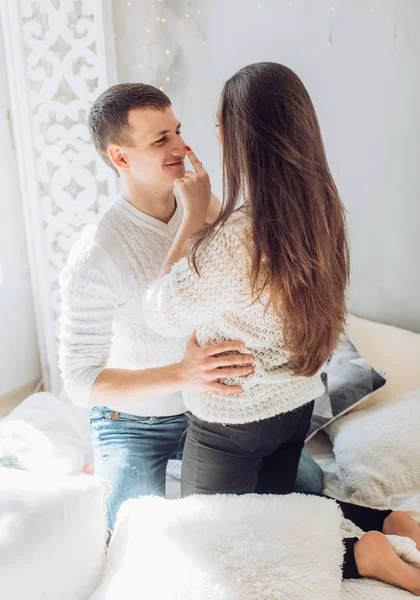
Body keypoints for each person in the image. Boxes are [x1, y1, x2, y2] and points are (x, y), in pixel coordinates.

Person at [142, 62, 420, 594]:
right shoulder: (321, 212)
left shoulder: (237, 238)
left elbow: (160, 311)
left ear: (242, 139)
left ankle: (362, 555)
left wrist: (193, 216)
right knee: (275, 513)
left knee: (208, 543)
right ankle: (385, 522)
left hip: (233, 424)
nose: (213, 138)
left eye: (220, 126)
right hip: (293, 407)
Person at [58, 83, 255, 532]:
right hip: (131, 422)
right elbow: (79, 381)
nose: (181, 147)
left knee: (305, 483)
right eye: (159, 139)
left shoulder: (205, 209)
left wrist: (208, 214)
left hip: (203, 411)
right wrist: (181, 374)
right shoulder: (96, 253)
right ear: (121, 158)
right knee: (134, 534)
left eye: (178, 131)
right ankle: (104, 461)